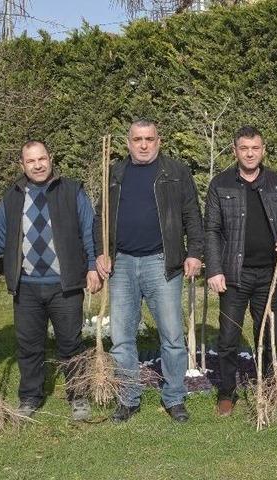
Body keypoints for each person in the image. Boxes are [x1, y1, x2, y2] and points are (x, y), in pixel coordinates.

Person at [0, 140, 100, 420]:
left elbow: (88, 230)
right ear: (22, 165)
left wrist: (93, 265)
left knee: (71, 344)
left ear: (50, 158)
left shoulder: (71, 190)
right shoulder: (13, 196)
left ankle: (78, 395)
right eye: (31, 161)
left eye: (42, 159)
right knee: (29, 345)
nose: (38, 165)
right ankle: (30, 396)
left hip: (65, 284)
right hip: (27, 286)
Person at [95, 119, 204, 423]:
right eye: (137, 139)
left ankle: (174, 397)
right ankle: (128, 398)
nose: (143, 145)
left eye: (149, 139)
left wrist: (194, 252)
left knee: (172, 336)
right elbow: (100, 216)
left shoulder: (176, 172)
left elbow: (192, 214)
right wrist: (101, 251)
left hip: (161, 262)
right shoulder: (115, 173)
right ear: (127, 142)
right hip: (122, 264)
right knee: (121, 337)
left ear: (159, 141)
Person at [204, 126, 277, 416]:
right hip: (235, 275)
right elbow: (212, 230)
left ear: (263, 150)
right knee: (228, 338)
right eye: (244, 148)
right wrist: (214, 270)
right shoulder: (221, 184)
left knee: (269, 335)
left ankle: (269, 388)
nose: (249, 153)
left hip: (270, 274)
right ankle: (227, 393)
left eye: (255, 148)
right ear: (235, 151)